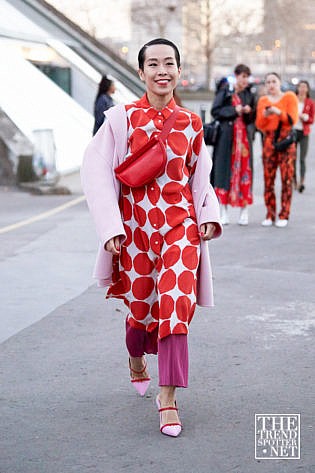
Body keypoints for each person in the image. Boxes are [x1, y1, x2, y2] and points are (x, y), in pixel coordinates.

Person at [81, 38, 222, 437]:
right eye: (153, 64)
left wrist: (209, 215)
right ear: (141, 72)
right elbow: (95, 172)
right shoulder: (121, 119)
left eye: (170, 63)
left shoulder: (193, 124)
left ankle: (168, 398)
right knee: (140, 312)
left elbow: (200, 178)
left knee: (176, 307)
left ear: (179, 71)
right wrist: (110, 228)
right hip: (135, 233)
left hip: (181, 230)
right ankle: (136, 360)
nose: (163, 71)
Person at [211, 64, 256, 226]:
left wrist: (249, 111)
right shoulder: (225, 91)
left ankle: (244, 211)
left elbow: (253, 119)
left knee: (245, 172)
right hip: (226, 139)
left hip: (243, 140)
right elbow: (215, 111)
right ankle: (223, 211)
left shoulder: (248, 94)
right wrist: (234, 110)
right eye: (242, 77)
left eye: (247, 77)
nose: (245, 80)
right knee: (224, 171)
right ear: (236, 76)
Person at [256, 72, 298, 227]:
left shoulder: (289, 97)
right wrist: (267, 115)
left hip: (286, 140)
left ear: (279, 82)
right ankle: (270, 213)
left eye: (274, 81)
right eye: (268, 82)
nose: (271, 85)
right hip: (269, 140)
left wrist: (278, 112)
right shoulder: (262, 100)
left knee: (286, 178)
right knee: (269, 179)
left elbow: (292, 119)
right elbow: (260, 124)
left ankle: (284, 214)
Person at [293, 80, 314, 193]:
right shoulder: (293, 100)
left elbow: (311, 119)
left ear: (307, 89)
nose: (302, 89)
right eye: (300, 86)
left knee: (302, 158)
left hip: (304, 132)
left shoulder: (310, 102)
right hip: (293, 131)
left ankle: (302, 181)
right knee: (293, 158)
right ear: (297, 88)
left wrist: (305, 118)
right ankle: (293, 181)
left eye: (304, 87)